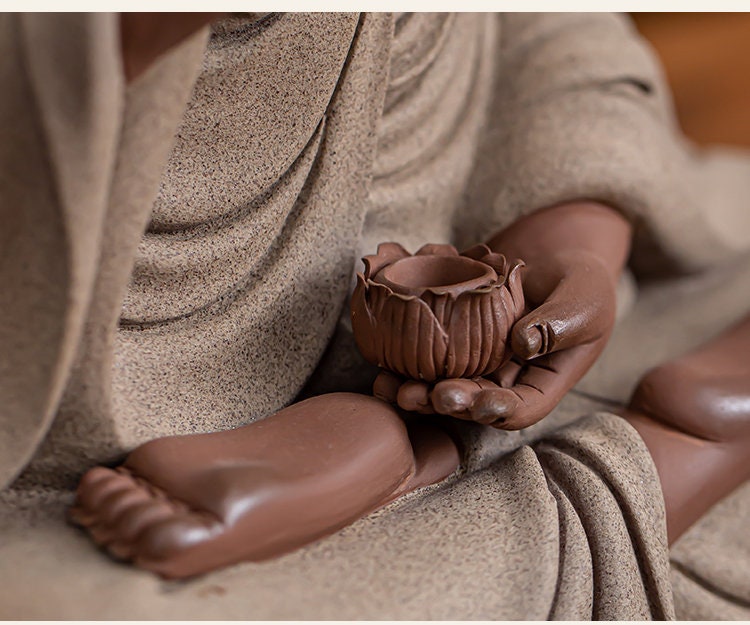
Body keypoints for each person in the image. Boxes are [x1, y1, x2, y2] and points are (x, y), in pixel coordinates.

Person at [0, 12, 748, 619]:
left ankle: (491, 452)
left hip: (486, 240)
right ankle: (610, 461)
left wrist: (571, 226)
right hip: (89, 378)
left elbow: (549, 32)